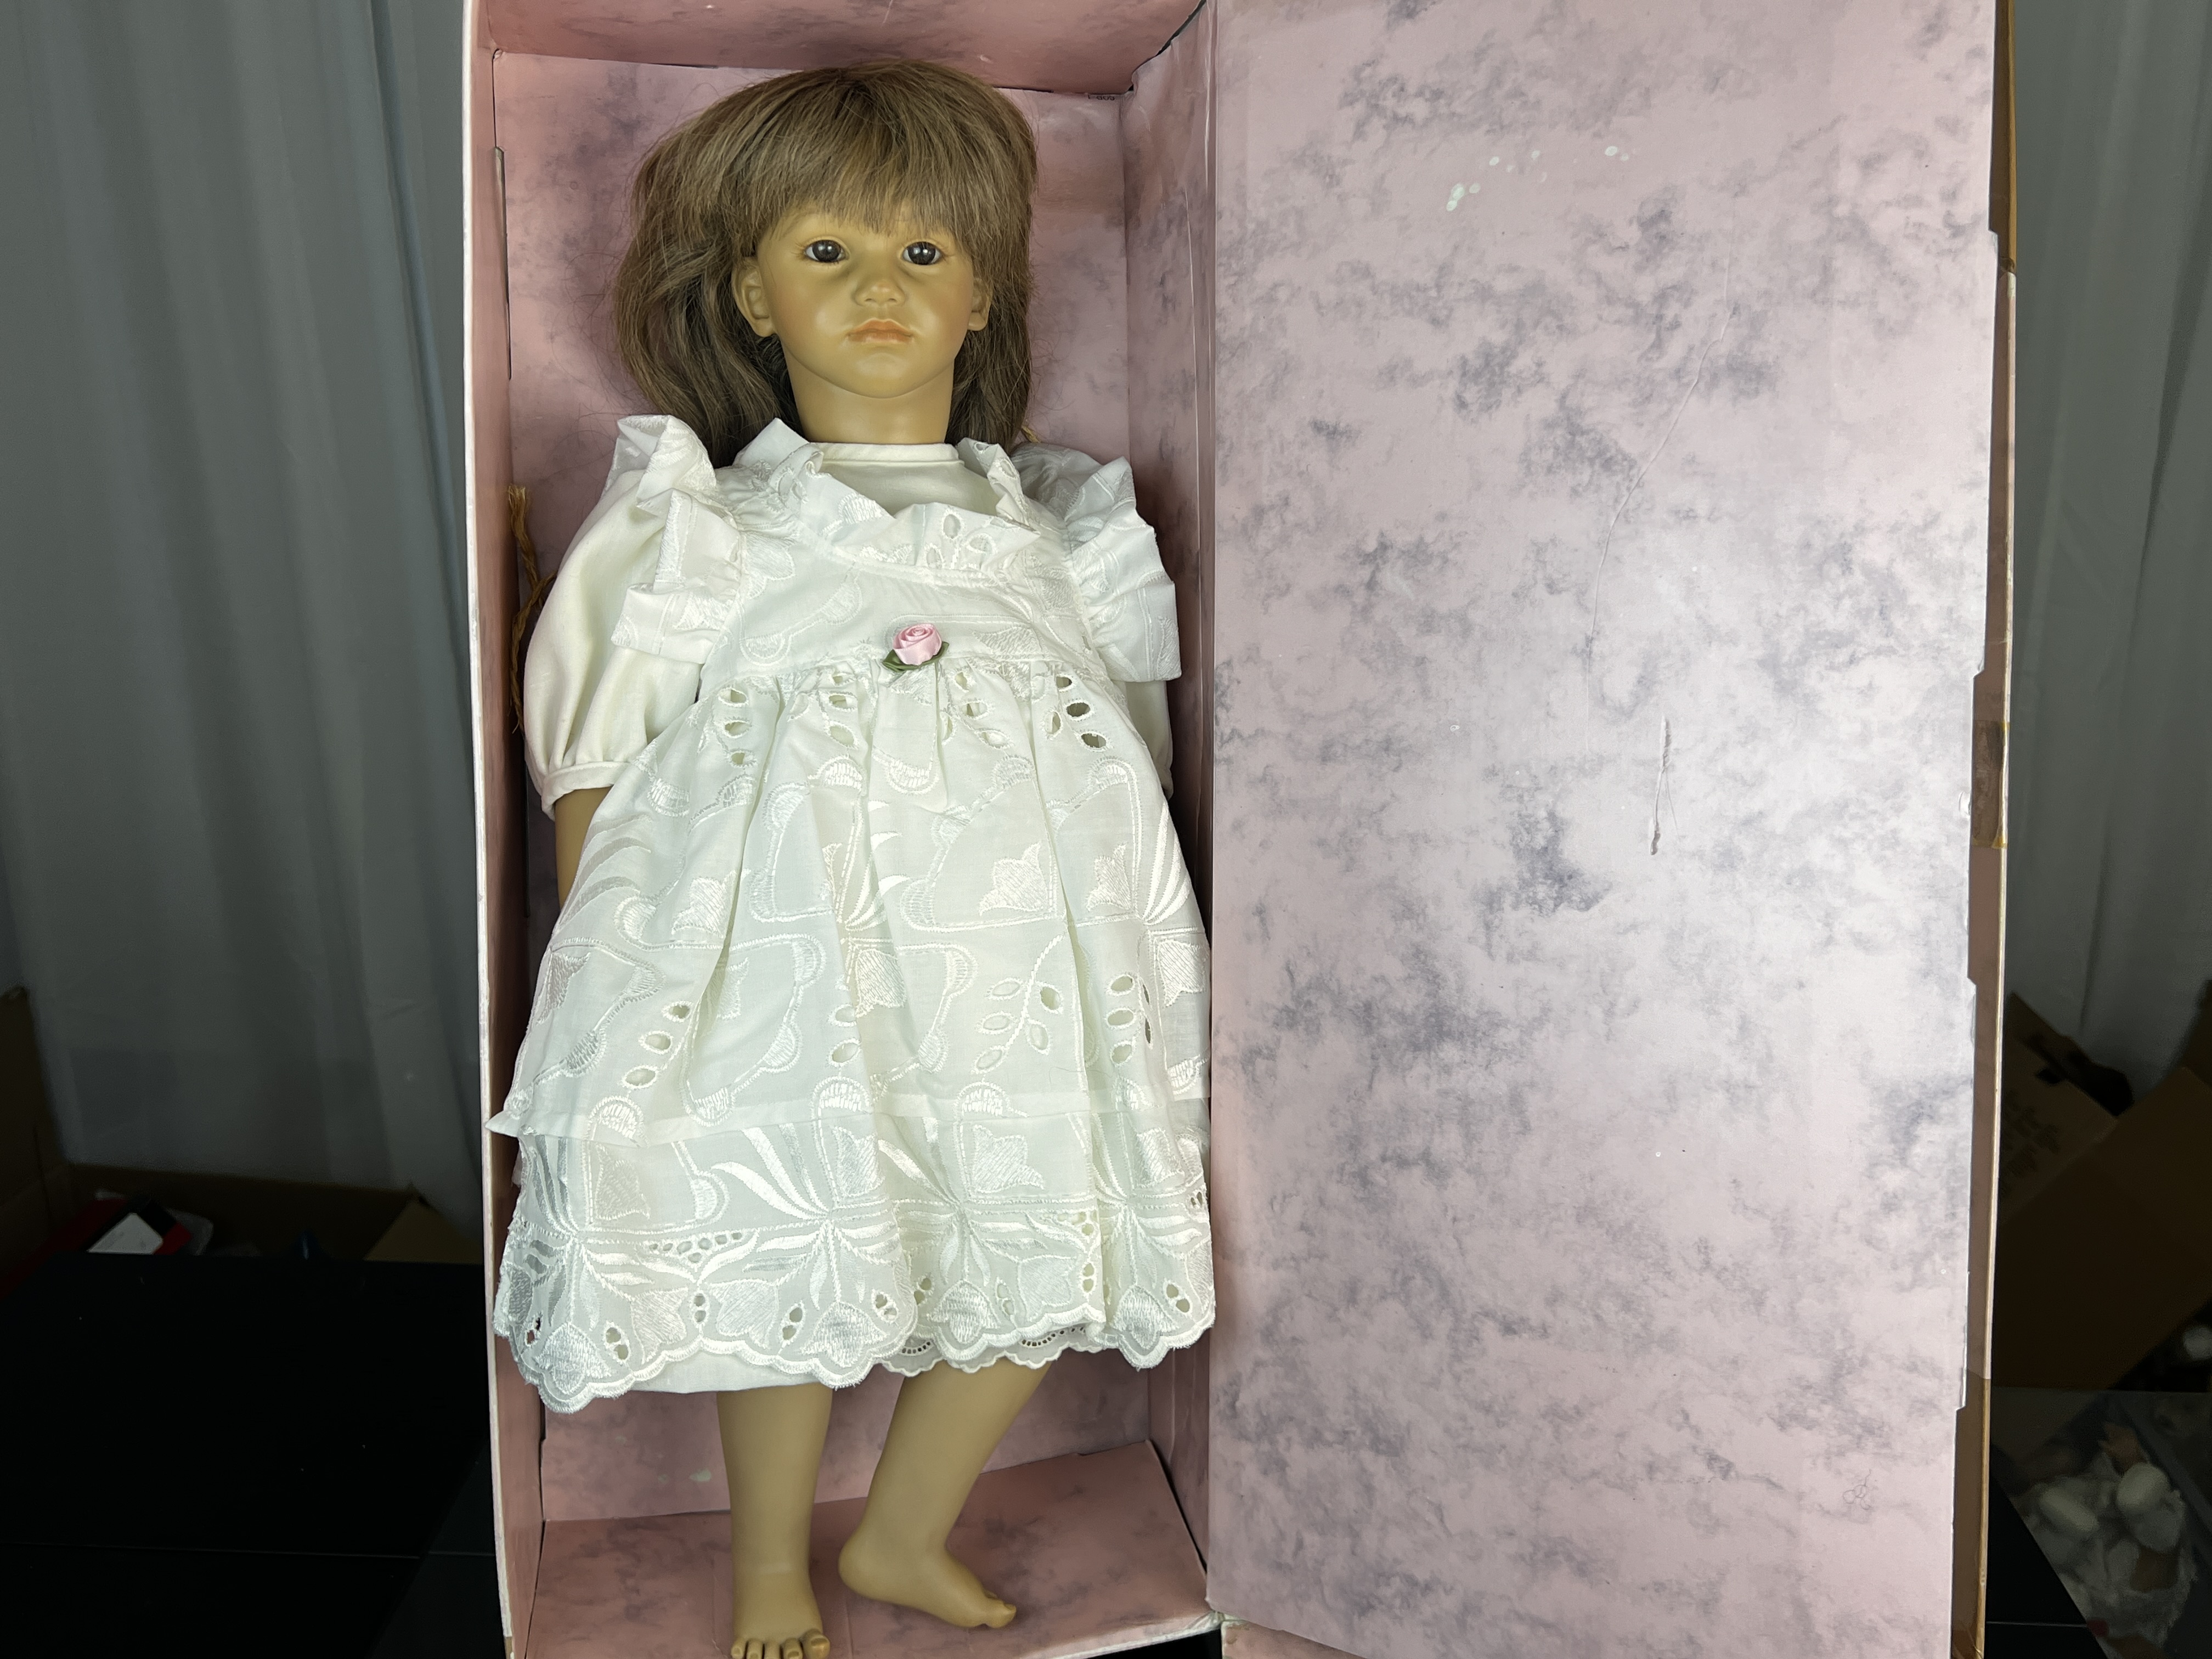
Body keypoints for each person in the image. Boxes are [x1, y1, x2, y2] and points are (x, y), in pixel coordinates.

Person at [486, 60, 1214, 1659]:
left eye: (924, 252)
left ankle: (900, 1535)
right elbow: (599, 759)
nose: (880, 286)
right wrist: (624, 984)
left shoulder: (1066, 531)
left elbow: (1131, 758)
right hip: (789, 971)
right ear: (753, 293)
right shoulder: (701, 528)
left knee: (1040, 1231)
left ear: (982, 295)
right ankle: (768, 1564)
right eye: (827, 251)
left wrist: (1138, 953)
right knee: (792, 1247)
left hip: (1021, 968)